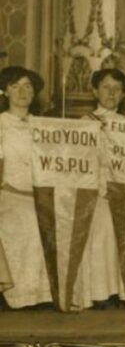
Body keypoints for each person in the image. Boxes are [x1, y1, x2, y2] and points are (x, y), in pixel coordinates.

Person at [0, 66, 49, 308]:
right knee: (28, 221)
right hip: (10, 194)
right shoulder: (1, 124)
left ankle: (46, 293)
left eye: (27, 86)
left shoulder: (45, 126)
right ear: (5, 91)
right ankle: (20, 295)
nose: (22, 92)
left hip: (42, 195)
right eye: (15, 86)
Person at [81, 68, 125, 307]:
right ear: (94, 91)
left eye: (117, 89)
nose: (111, 93)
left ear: (124, 94)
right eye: (106, 88)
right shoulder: (84, 124)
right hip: (96, 192)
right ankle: (102, 291)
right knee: (103, 224)